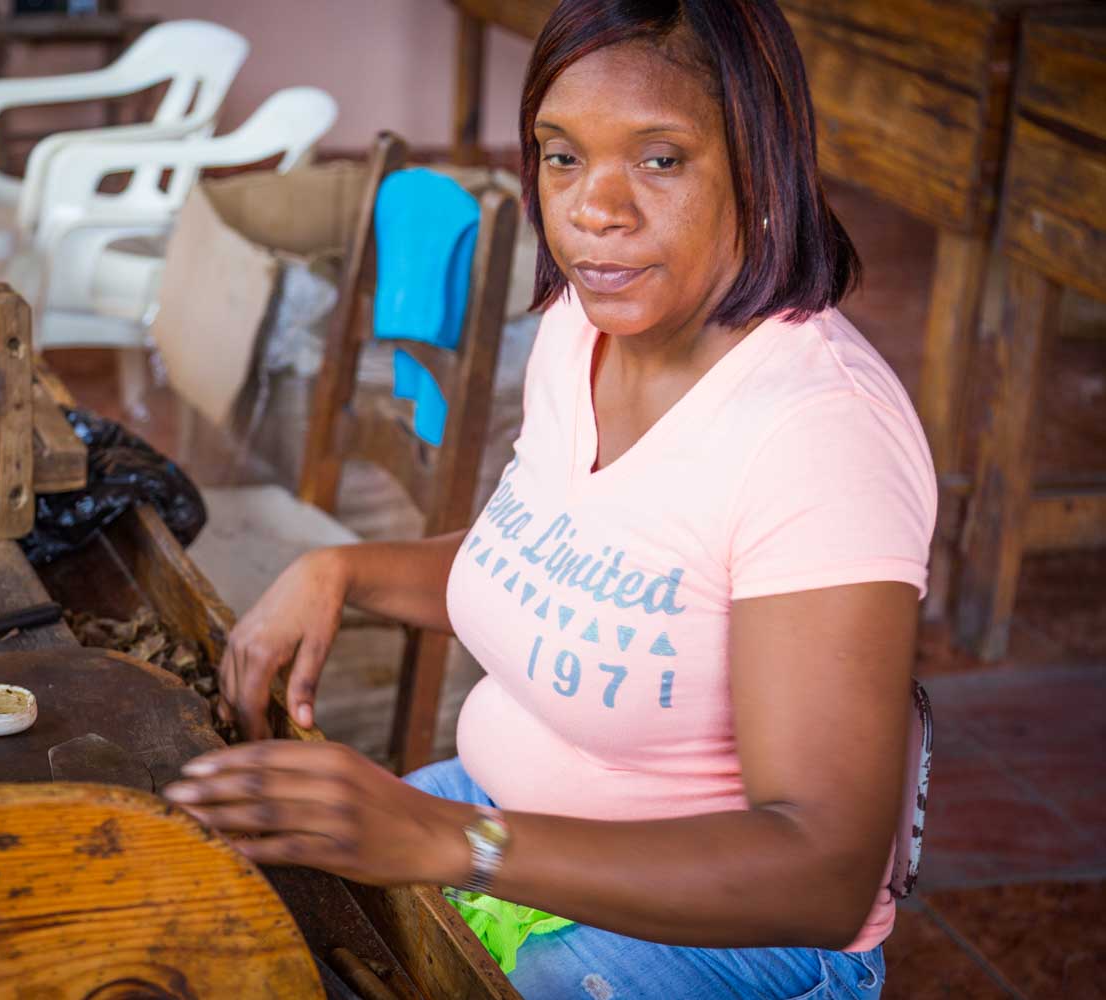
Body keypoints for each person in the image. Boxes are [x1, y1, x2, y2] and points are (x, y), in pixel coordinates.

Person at [162, 1, 937, 995]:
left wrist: (456, 839)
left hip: (726, 930)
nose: (594, 210)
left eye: (660, 159)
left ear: (762, 165)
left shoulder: (819, 433)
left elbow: (821, 870)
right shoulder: (585, 323)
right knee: (227, 902)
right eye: (562, 156)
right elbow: (553, 573)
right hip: (503, 819)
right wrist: (338, 568)